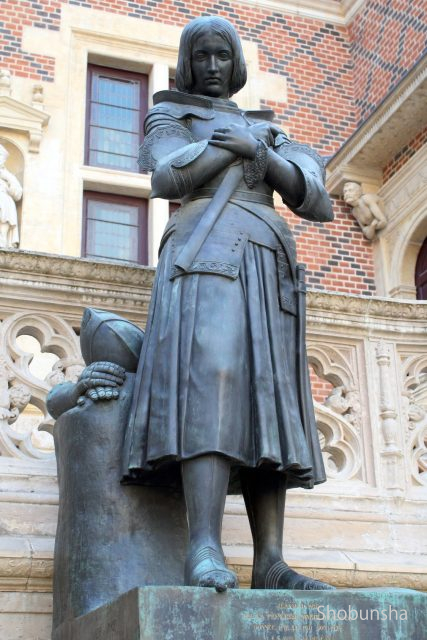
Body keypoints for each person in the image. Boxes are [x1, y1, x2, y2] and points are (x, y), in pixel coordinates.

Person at [77, 16, 335, 592]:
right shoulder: (170, 115)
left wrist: (262, 153)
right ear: (187, 63)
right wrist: (227, 149)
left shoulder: (269, 129)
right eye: (202, 56)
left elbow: (316, 199)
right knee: (211, 381)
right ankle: (204, 547)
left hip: (268, 263)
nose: (213, 66)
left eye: (223, 55)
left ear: (236, 62)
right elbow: (166, 175)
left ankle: (271, 561)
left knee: (269, 397)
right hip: (204, 255)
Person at [0, 145, 22, 248]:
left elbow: (18, 194)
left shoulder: (7, 175)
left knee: (5, 219)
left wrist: (7, 178)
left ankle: (3, 241)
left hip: (4, 200)